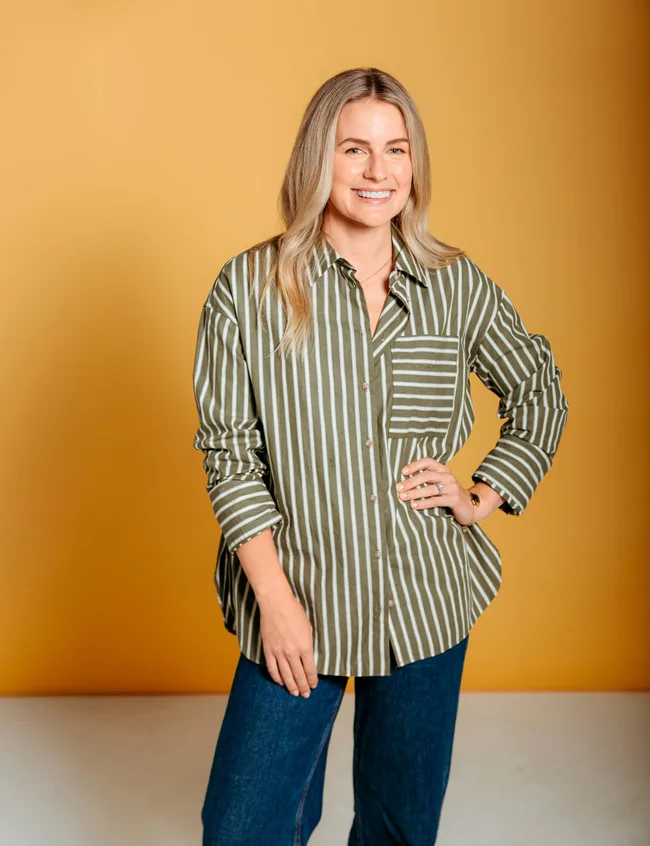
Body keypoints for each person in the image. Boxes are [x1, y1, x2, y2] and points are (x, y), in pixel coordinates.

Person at [192, 67, 568, 846]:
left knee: (400, 830)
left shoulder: (453, 284)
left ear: (415, 164)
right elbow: (230, 455)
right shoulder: (250, 289)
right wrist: (276, 602)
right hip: (303, 599)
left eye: (396, 149)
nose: (377, 171)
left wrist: (480, 495)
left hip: (424, 599)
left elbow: (539, 389)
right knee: (243, 828)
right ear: (316, 161)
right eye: (353, 149)